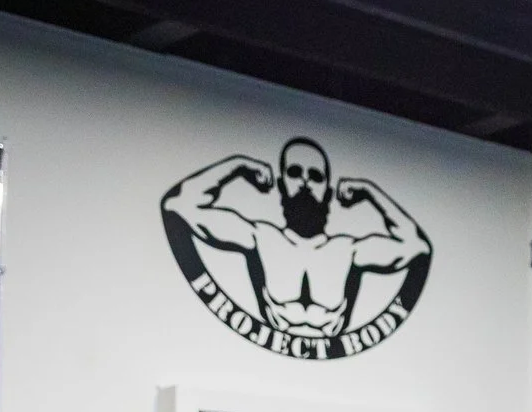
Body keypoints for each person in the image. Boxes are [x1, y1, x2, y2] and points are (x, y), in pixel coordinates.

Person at [161, 138, 430, 338]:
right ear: (281, 184)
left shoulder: (347, 250)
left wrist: (369, 192)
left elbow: (416, 247)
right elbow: (179, 206)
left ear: (327, 191)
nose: (305, 183)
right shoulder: (261, 237)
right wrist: (238, 166)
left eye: (315, 177)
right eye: (294, 173)